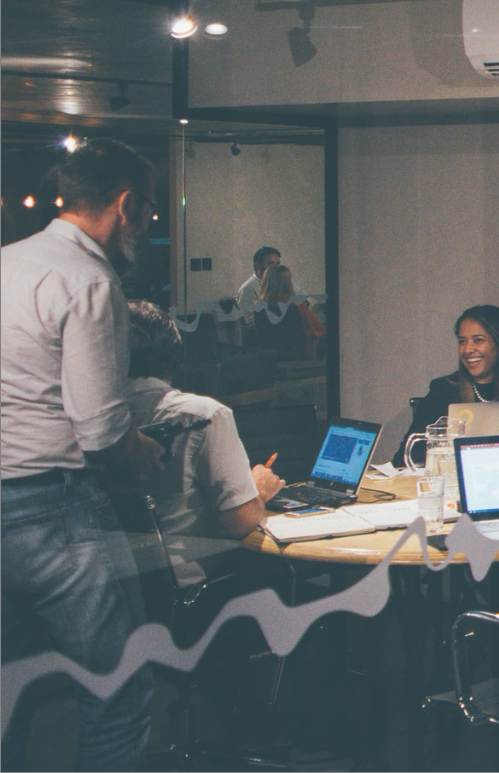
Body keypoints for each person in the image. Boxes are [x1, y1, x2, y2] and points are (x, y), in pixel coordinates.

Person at [1, 138, 164, 770]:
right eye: (147, 214)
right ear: (126, 206)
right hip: (53, 508)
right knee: (116, 685)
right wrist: (140, 450)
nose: (145, 230)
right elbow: (98, 428)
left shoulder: (9, 261)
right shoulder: (88, 279)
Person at [125, 301, 286, 586]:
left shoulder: (78, 419)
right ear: (174, 353)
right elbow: (236, 521)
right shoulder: (202, 416)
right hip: (191, 582)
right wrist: (258, 491)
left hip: (112, 588)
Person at [406, 304, 499, 438]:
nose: (467, 349)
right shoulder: (444, 390)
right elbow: (406, 457)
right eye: (462, 341)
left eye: (478, 340)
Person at [252, 263, 324, 361]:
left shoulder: (258, 307)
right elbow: (316, 330)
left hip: (269, 358)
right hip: (295, 357)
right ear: (287, 283)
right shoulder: (294, 307)